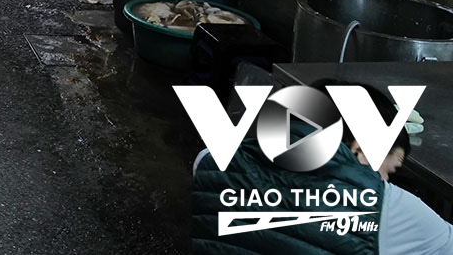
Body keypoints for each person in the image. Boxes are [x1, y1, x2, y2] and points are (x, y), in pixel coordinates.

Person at [191, 82, 453, 253]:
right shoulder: (389, 207)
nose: (386, 180)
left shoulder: (209, 161)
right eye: (389, 168)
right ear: (360, 149)